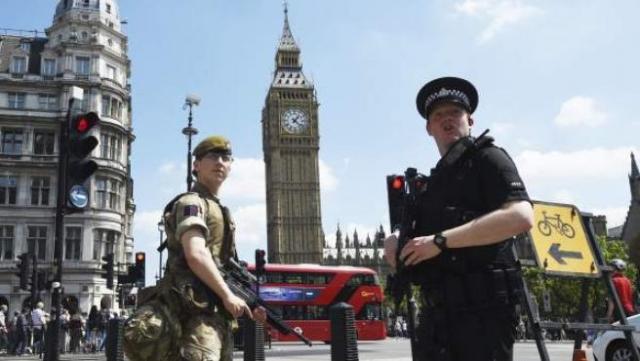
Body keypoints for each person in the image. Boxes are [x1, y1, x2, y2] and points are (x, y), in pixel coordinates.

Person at [384, 77, 534, 361]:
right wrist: (396, 244)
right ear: (429, 128)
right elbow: (420, 249)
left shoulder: (489, 158)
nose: (447, 120)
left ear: (470, 120)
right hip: (436, 318)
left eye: (454, 113)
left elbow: (521, 216)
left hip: (483, 317)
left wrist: (440, 241)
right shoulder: (431, 185)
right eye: (439, 115)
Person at [124, 135, 266, 361]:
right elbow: (196, 253)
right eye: (213, 156)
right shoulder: (192, 202)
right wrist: (228, 295)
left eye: (226, 158)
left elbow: (223, 268)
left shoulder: (220, 209)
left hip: (216, 317)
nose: (220, 162)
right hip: (193, 316)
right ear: (196, 165)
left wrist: (248, 303)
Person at [607, 258, 637, 323]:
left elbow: (611, 300)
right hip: (630, 311)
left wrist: (608, 316)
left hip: (619, 313)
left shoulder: (613, 281)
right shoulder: (627, 281)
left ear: (613, 269)